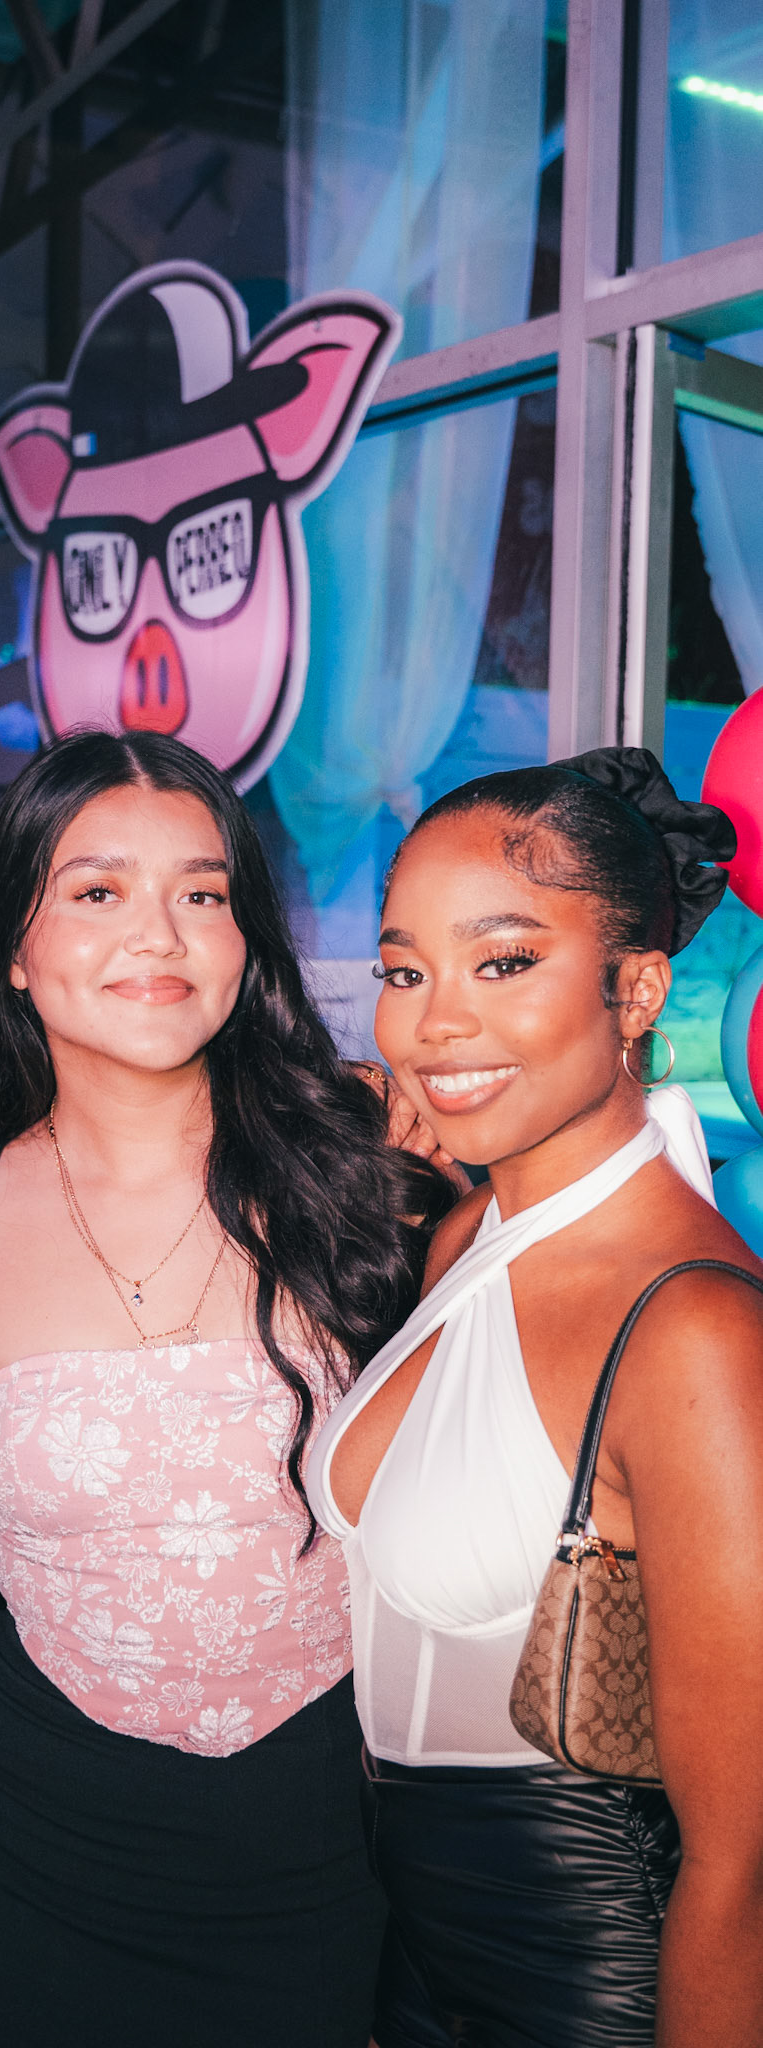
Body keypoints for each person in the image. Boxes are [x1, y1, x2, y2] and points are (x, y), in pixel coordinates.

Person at [0, 730, 454, 2048]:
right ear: (17, 945)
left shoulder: (380, 1157)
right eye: (97, 891)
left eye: (201, 893)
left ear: (244, 940)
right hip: (25, 1850)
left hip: (332, 1842)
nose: (157, 934)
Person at [306, 749, 763, 2048]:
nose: (433, 1025)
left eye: (502, 963)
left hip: (593, 1976)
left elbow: (744, 1863)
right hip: (413, 1952)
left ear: (638, 990)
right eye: (405, 972)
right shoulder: (464, 1231)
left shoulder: (695, 1333)